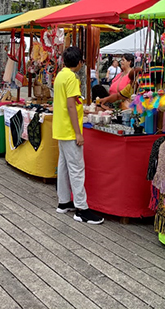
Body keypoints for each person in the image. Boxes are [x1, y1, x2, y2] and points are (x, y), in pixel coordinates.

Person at [53, 46, 104, 225]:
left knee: (64, 166)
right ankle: (82, 209)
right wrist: (77, 132)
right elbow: (71, 106)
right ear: (80, 62)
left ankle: (64, 201)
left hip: (60, 128)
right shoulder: (71, 78)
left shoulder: (60, 75)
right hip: (68, 129)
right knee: (76, 168)